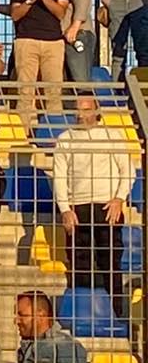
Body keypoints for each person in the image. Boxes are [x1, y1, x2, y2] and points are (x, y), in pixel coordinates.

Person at [51, 90, 133, 300]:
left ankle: (116, 312)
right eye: (77, 109)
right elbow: (59, 177)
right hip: (78, 208)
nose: (80, 114)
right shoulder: (65, 139)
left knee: (111, 263)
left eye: (85, 109)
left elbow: (128, 171)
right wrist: (65, 209)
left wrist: (119, 199)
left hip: (107, 207)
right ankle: (82, 309)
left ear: (96, 111)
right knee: (79, 264)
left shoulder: (112, 136)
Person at [6, 0, 72, 122]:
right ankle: (25, 136)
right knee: (25, 92)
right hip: (26, 40)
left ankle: (52, 137)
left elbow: (60, 12)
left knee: (53, 92)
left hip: (53, 41)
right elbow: (15, 14)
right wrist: (30, 0)